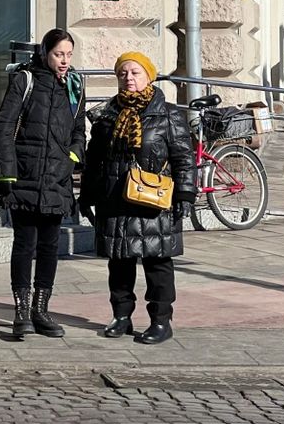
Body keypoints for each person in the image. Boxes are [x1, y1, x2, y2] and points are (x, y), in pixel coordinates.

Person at [78, 52, 196, 345]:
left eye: (135, 73)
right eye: (123, 74)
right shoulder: (107, 115)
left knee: (157, 263)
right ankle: (121, 316)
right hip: (114, 199)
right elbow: (94, 160)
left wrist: (185, 194)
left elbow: (184, 157)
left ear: (149, 76)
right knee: (119, 263)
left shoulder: (167, 114)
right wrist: (87, 194)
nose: (129, 78)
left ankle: (160, 321)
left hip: (154, 201)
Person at [0, 28, 87, 339]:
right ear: (45, 52)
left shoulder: (74, 85)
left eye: (69, 55)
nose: (64, 61)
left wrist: (72, 157)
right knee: (24, 244)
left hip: (57, 178)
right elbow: (4, 127)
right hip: (25, 175)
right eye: (59, 54)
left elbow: (79, 131)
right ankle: (21, 313)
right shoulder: (25, 80)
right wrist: (7, 172)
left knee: (49, 246)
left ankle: (41, 310)